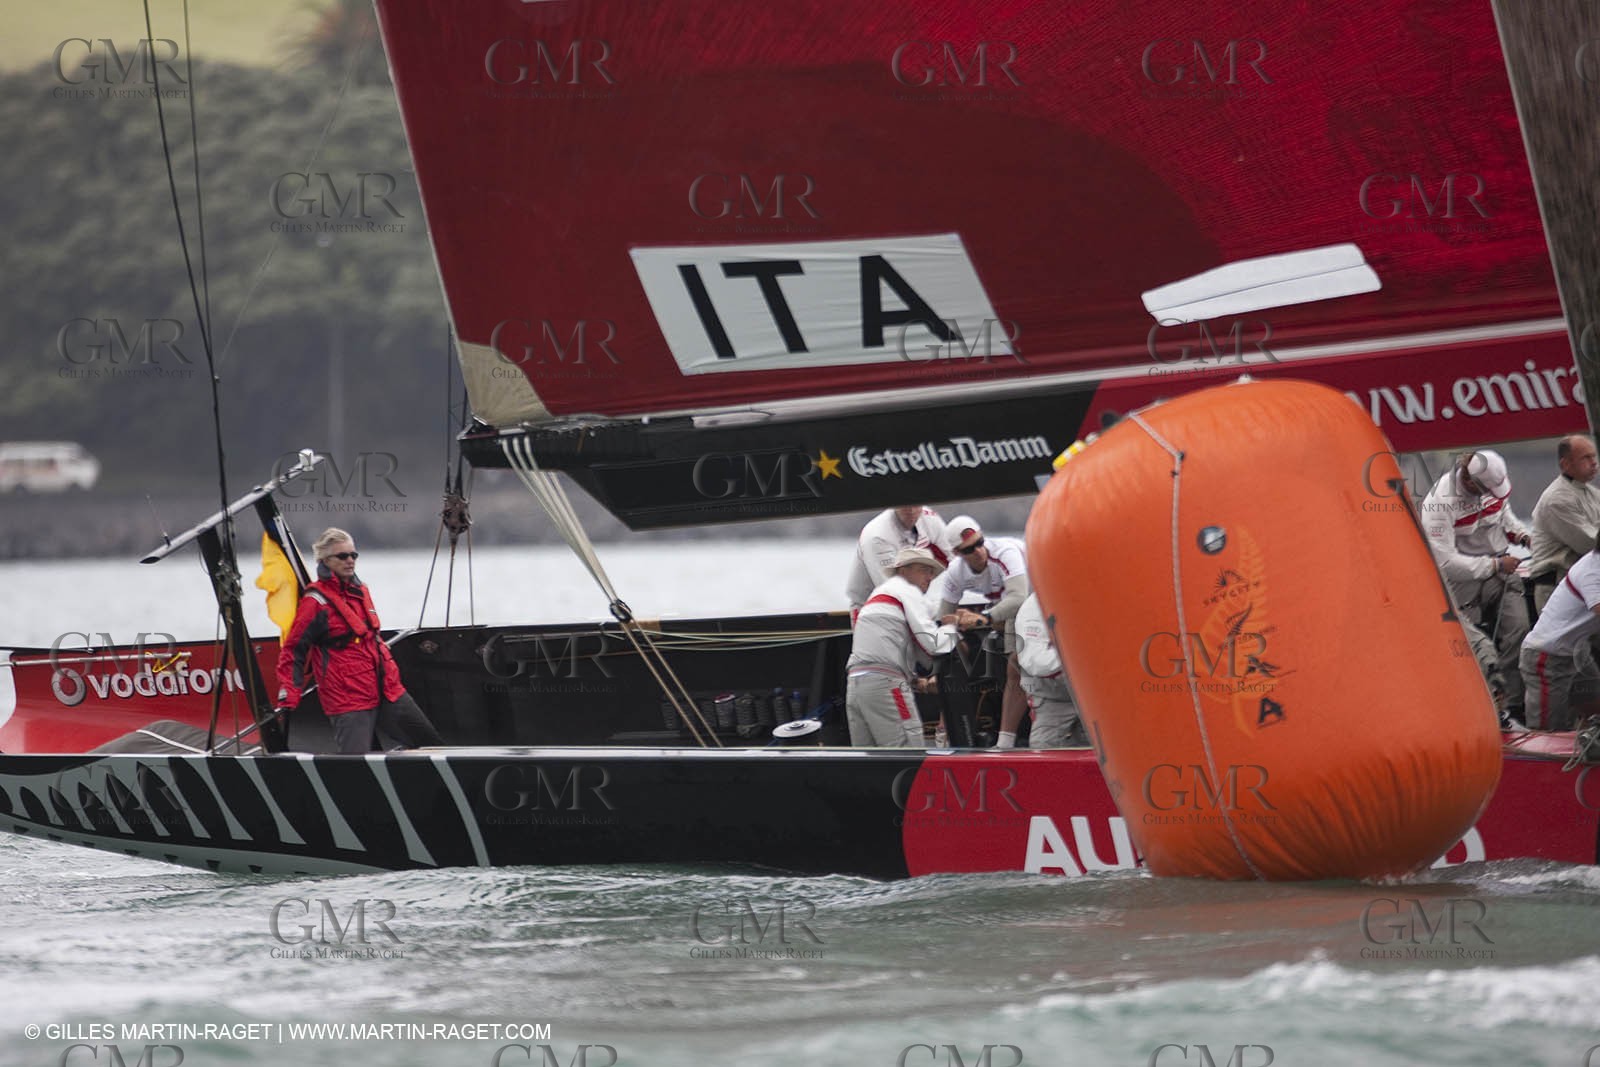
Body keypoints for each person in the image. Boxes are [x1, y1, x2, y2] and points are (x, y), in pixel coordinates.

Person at [275, 528, 444, 754]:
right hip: (348, 697)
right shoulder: (315, 602)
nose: (350, 561)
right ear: (325, 560)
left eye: (353, 555)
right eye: (342, 556)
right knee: (356, 765)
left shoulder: (361, 590)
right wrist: (290, 693)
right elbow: (294, 649)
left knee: (433, 746)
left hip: (387, 687)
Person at [1419, 450, 1531, 723]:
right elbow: (1444, 563)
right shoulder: (1440, 503)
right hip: (1463, 585)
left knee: (1519, 630)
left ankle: (1512, 705)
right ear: (1470, 482)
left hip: (1500, 573)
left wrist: (1521, 533)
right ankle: (1478, 710)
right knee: (1469, 649)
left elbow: (1504, 514)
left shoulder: (1491, 488)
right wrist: (1493, 566)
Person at [845, 546, 959, 747]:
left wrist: (914, 679)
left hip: (855, 686)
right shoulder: (907, 590)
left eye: (932, 571)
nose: (930, 576)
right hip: (886, 685)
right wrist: (952, 627)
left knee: (865, 761)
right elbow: (934, 645)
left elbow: (905, 644)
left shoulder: (880, 594)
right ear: (904, 570)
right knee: (909, 754)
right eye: (924, 569)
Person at [935, 516, 1031, 748]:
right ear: (957, 553)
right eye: (969, 549)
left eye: (980, 543)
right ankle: (947, 729)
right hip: (1008, 609)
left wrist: (984, 618)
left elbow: (1019, 598)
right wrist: (944, 657)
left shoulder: (1005, 551)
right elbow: (944, 618)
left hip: (1034, 598)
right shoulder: (955, 573)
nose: (979, 551)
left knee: (1015, 665)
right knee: (956, 653)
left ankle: (1008, 738)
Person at [1519, 536, 1600, 731]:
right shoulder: (1592, 572)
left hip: (1577, 655)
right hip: (1547, 659)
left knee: (1595, 707)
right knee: (1548, 733)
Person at [1529, 435, 1600, 613]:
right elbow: (1589, 544)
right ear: (1565, 464)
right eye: (1586, 458)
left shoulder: (1591, 493)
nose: (1593, 462)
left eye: (1594, 456)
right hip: (1556, 590)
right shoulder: (1557, 499)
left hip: (1581, 586)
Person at [845, 505, 947, 615]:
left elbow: (954, 557)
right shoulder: (877, 536)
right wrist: (943, 611)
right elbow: (896, 593)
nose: (911, 510)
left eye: (916, 504)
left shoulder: (930, 519)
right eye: (905, 505)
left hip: (912, 603)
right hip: (870, 610)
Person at [1014, 592, 1085, 747]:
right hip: (1052, 700)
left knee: (1111, 756)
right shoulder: (1034, 607)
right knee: (1045, 757)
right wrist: (1085, 655)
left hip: (1097, 698)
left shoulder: (1102, 595)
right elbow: (1034, 660)